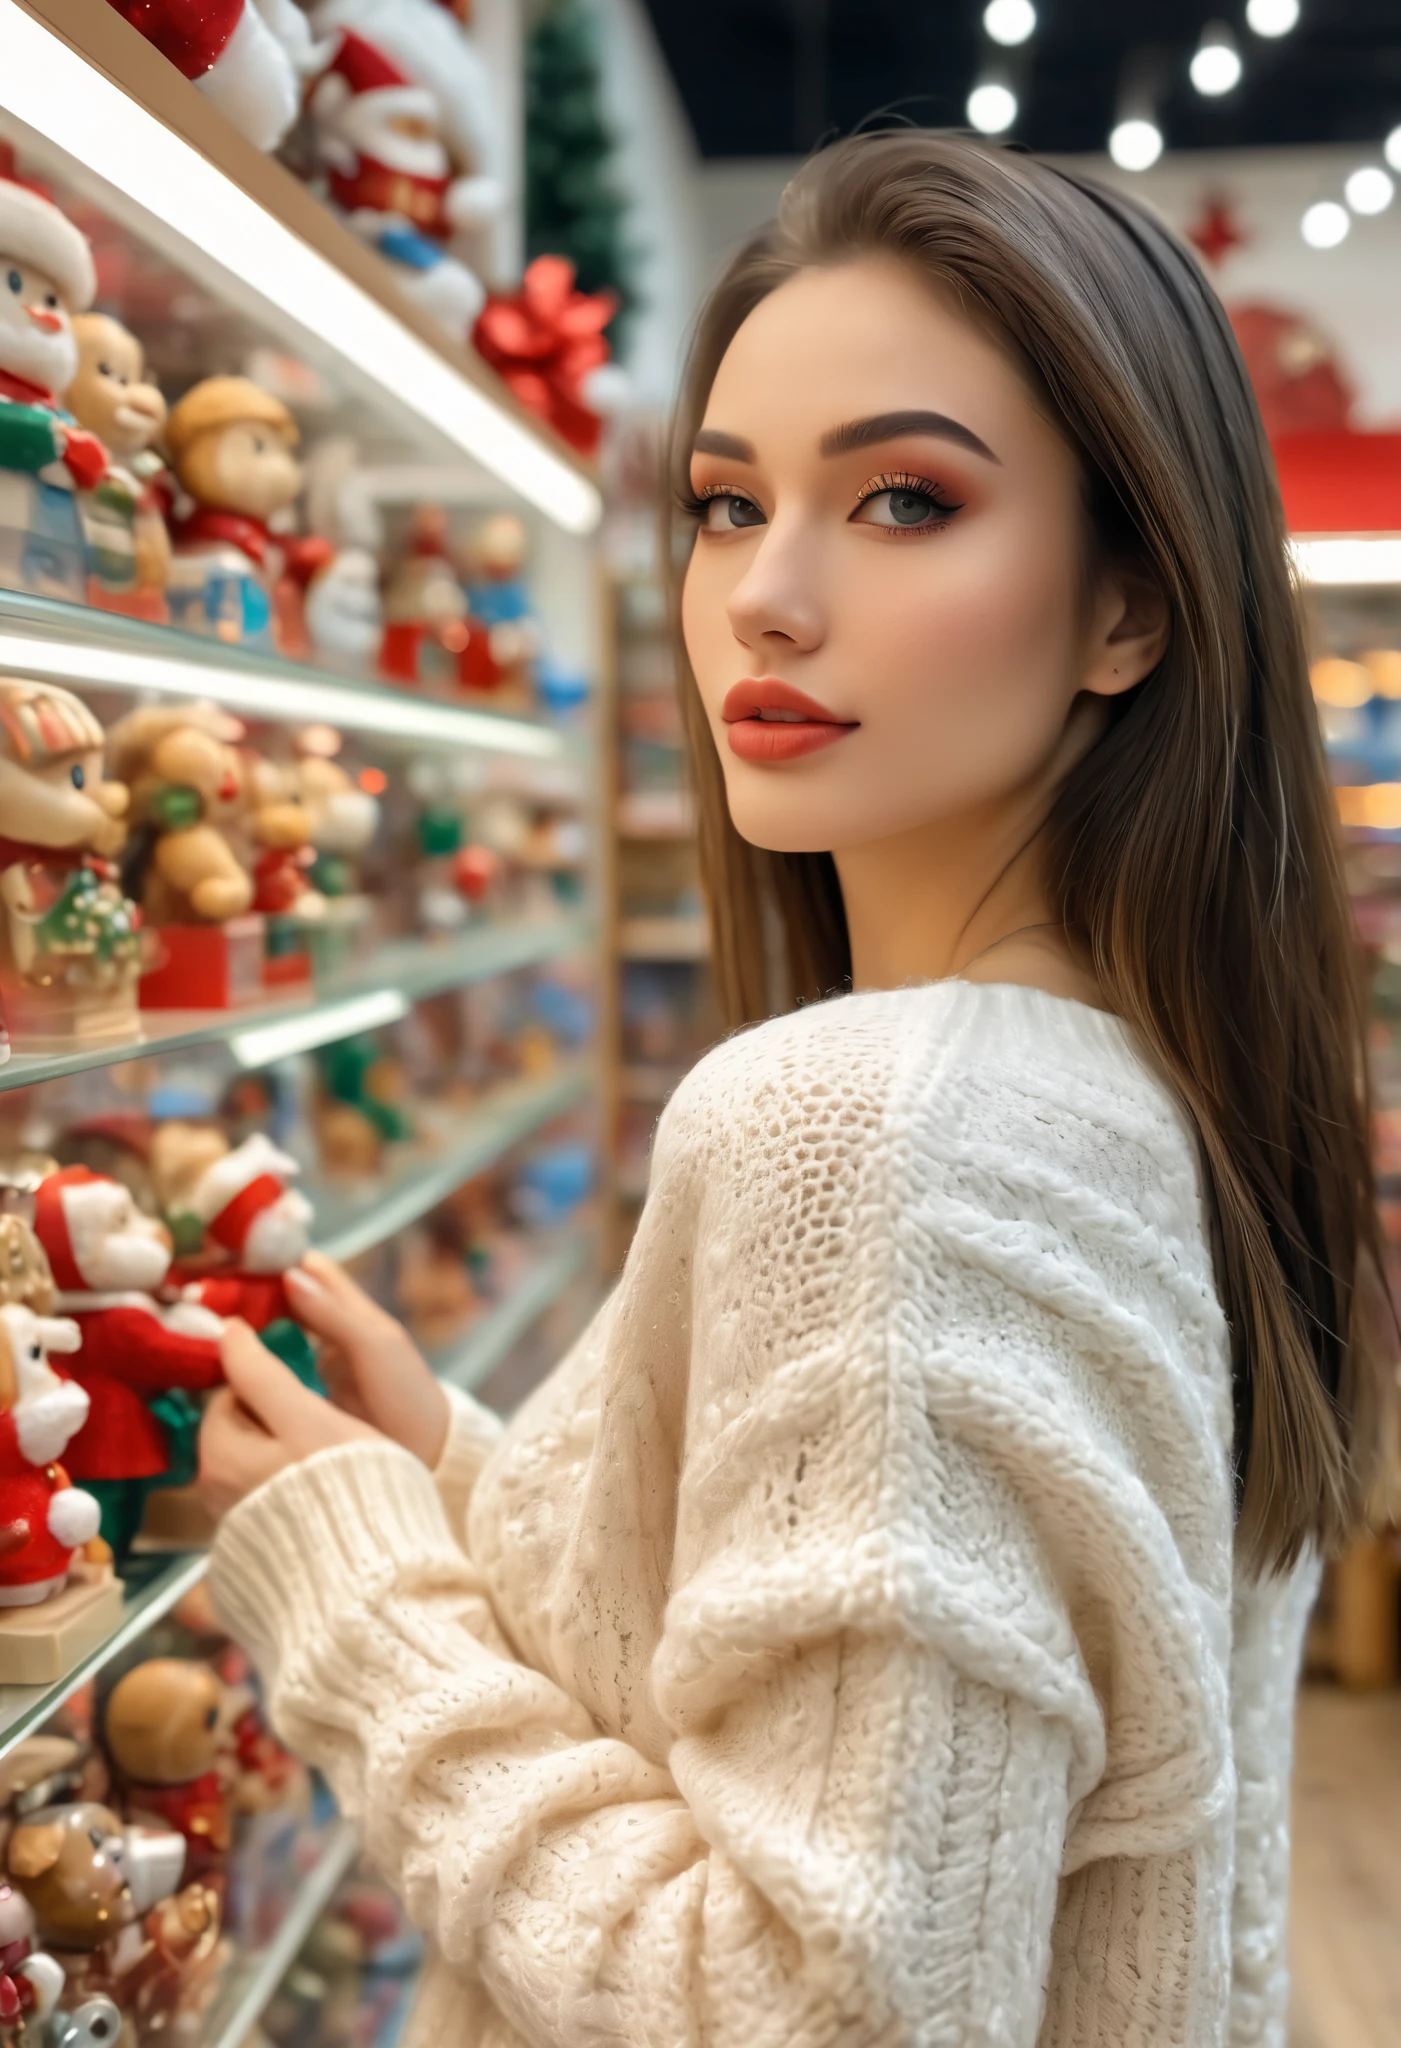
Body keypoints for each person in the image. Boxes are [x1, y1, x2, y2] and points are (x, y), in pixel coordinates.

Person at [198, 132, 1394, 2046]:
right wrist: (455, 1480)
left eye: (907, 500)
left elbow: (820, 2009)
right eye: (727, 503)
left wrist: (362, 1603)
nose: (766, 594)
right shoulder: (1137, 1094)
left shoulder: (879, 1130)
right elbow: (952, 1761)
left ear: (1130, 609)